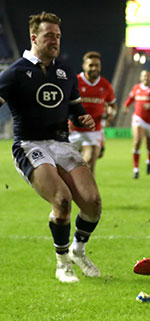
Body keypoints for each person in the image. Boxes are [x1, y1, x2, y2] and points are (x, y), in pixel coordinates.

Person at [0, 12, 102, 282]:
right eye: (49, 36)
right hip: (29, 144)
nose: (55, 40)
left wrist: (82, 116)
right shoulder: (14, 74)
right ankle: (62, 263)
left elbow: (74, 108)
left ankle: (78, 250)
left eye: (57, 36)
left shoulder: (65, 72)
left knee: (92, 203)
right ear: (34, 38)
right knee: (62, 200)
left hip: (61, 143)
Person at [68, 51, 117, 173]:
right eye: (91, 65)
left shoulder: (105, 85)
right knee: (68, 169)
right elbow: (63, 104)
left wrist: (111, 113)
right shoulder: (75, 82)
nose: (94, 68)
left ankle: (88, 192)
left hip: (94, 131)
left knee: (89, 164)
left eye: (97, 65)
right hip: (73, 131)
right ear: (84, 66)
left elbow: (113, 105)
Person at [122, 70, 150, 179]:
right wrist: (126, 106)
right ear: (140, 77)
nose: (146, 78)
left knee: (149, 146)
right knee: (137, 141)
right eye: (144, 76)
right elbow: (130, 99)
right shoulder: (136, 88)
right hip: (139, 118)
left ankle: (149, 161)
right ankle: (136, 169)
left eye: (148, 76)